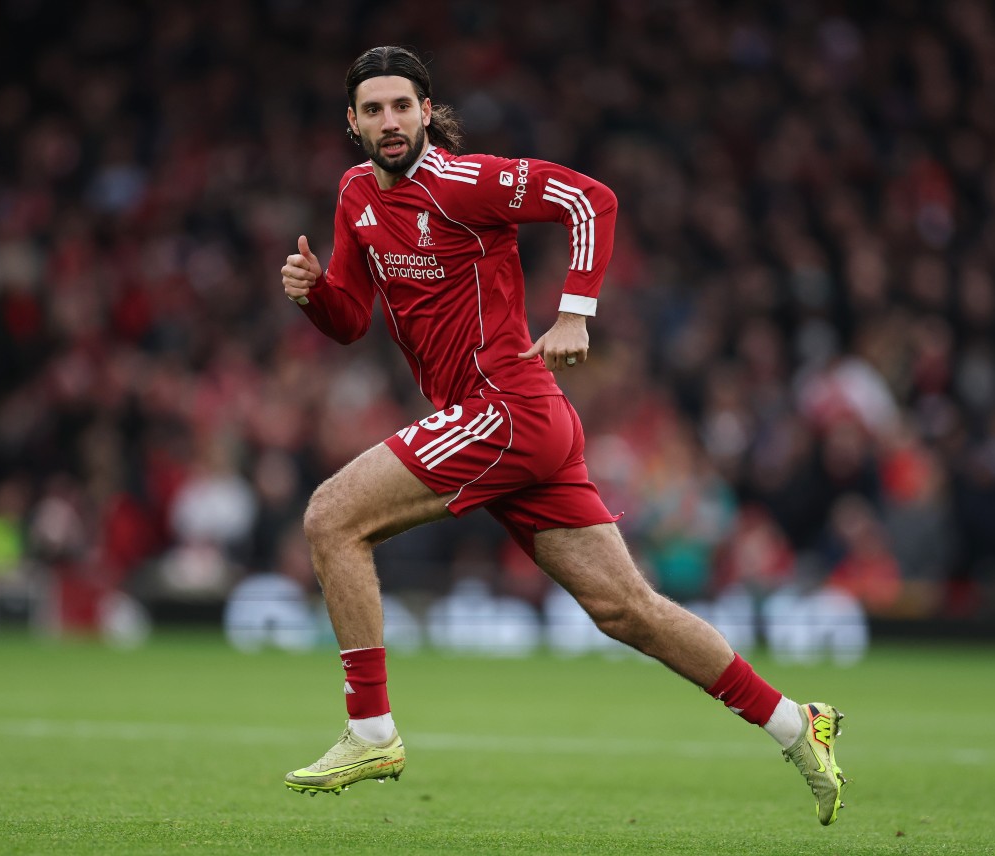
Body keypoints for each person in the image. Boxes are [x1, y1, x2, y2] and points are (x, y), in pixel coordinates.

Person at [279, 45, 847, 825]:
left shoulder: (463, 182)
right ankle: (795, 723)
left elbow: (591, 198)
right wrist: (314, 296)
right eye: (373, 110)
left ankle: (371, 729)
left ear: (425, 112)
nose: (389, 122)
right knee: (626, 611)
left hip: (504, 408)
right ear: (352, 121)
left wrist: (576, 308)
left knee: (330, 517)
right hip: (512, 423)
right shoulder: (354, 197)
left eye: (402, 106)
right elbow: (350, 321)